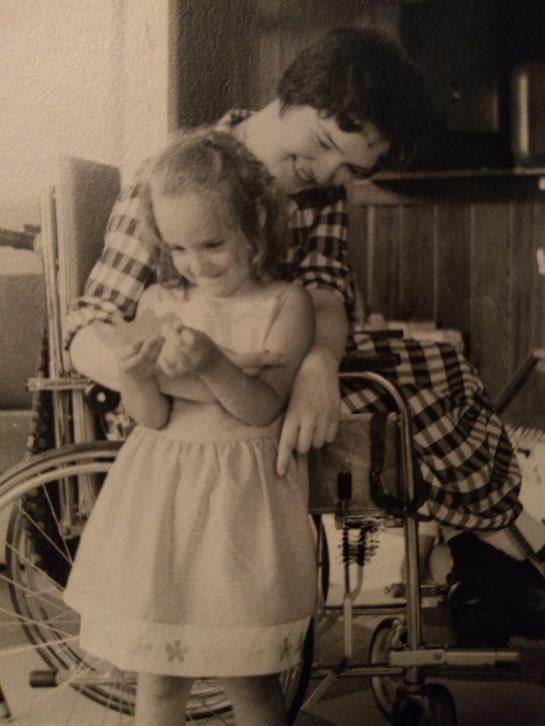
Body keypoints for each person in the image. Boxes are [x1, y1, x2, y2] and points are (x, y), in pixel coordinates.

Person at [64, 25, 542, 636]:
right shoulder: (179, 180)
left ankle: (482, 539)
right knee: (416, 389)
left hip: (274, 357)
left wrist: (318, 362)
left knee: (439, 363)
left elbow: (324, 290)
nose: (325, 171)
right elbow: (92, 322)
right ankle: (497, 543)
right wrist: (189, 376)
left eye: (348, 167)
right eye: (320, 144)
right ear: (291, 95)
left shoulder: (317, 190)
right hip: (177, 395)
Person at [64, 128, 317, 726]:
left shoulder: (287, 304)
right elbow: (151, 418)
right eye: (178, 249)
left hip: (238, 513)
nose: (195, 265)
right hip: (162, 506)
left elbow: (260, 408)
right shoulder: (158, 300)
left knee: (249, 679)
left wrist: (209, 362)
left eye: (212, 244)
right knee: (160, 679)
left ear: (255, 222)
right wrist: (135, 377)